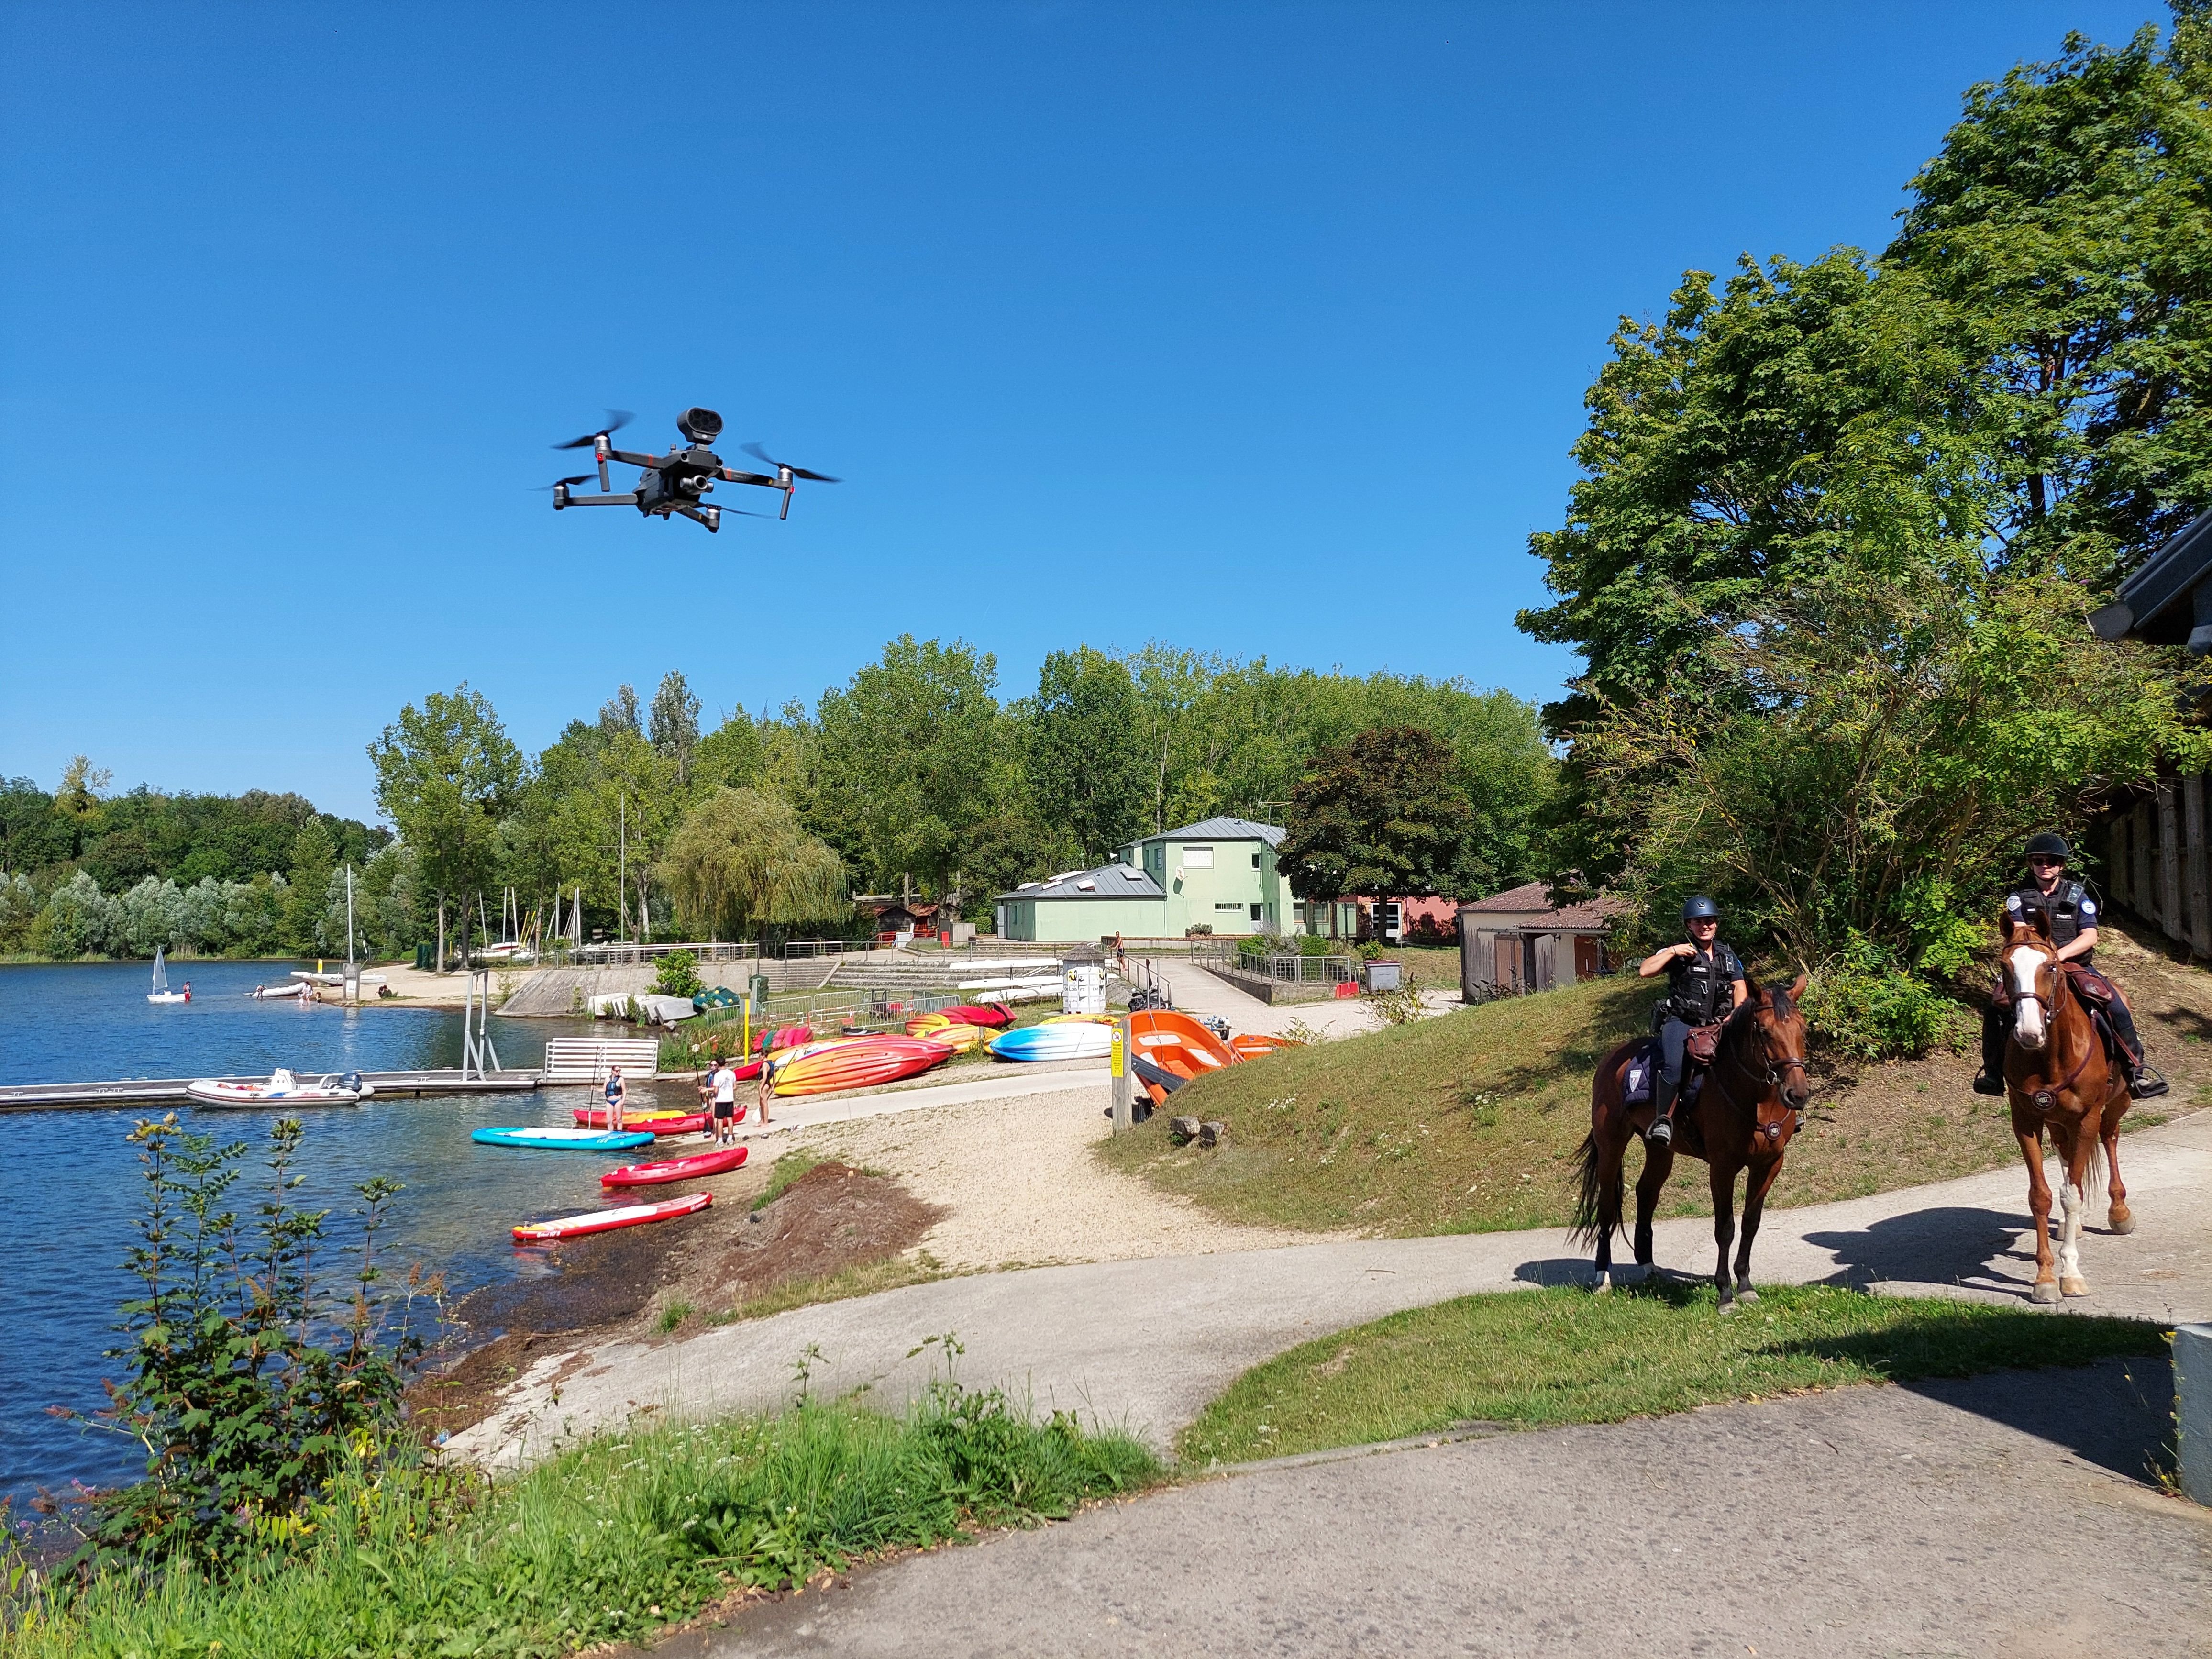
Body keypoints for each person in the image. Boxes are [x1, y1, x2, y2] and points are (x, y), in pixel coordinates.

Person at [1974, 832, 2167, 1098]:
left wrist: (2058, 956)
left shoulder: (2078, 896)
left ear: (2061, 865)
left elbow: (2090, 937)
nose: (2045, 865)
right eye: (2039, 861)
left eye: (2052, 861)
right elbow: (2019, 934)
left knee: (2116, 1007)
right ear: (2031, 864)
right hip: (2031, 967)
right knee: (1995, 1008)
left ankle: (2136, 1072)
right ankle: (1993, 1074)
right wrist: (2040, 959)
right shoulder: (2019, 896)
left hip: (2074, 965)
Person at [1636, 895, 1749, 1149]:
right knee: (1675, 1067)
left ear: (1717, 924)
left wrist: (1737, 1013)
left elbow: (1739, 987)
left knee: (1756, 1053)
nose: (1705, 926)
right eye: (1698, 922)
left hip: (1720, 1024)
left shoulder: (1728, 956)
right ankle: (1663, 1120)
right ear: (1689, 926)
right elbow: (1645, 970)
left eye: (1709, 921)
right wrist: (1673, 951)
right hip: (1683, 1023)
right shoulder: (1679, 953)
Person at [711, 1057, 739, 1143]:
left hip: (720, 1100)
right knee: (730, 1119)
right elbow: (735, 1087)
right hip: (730, 1099)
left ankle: (720, 1139)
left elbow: (716, 1090)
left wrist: (714, 1094)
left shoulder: (717, 1075)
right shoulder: (731, 1073)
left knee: (720, 1120)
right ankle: (730, 1137)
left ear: (718, 1065)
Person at [603, 1064, 626, 1133]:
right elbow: (604, 1089)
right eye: (617, 1071)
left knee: (619, 1119)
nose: (618, 1072)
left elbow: (624, 1091)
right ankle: (611, 1134)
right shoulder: (607, 1079)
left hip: (618, 1100)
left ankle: (620, 1133)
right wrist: (595, 1089)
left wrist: (623, 1101)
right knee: (609, 1121)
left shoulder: (621, 1079)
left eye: (620, 1070)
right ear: (613, 1071)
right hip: (609, 1101)